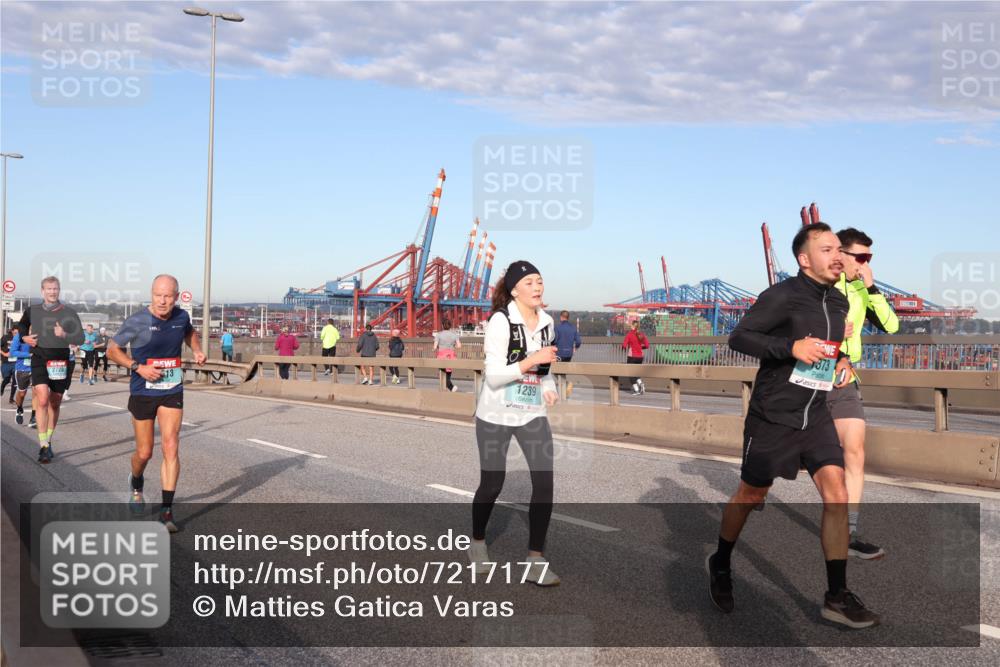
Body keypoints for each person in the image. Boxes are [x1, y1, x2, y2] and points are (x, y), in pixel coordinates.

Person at [706, 222, 879, 629]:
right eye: (826, 250)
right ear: (804, 259)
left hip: (816, 414)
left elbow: (832, 349)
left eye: (839, 249)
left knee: (836, 493)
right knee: (750, 495)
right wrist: (790, 347)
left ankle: (836, 596)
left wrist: (840, 361)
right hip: (774, 417)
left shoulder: (838, 302)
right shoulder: (782, 295)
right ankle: (721, 561)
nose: (837, 256)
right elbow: (740, 337)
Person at [469, 260, 560, 587]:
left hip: (532, 413)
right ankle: (477, 543)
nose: (538, 287)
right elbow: (493, 377)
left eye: (540, 280)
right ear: (514, 289)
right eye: (530, 282)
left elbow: (545, 371)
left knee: (545, 484)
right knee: (493, 484)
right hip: (496, 413)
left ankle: (535, 559)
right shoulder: (500, 320)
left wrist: (549, 389)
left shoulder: (548, 321)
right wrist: (530, 360)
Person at [107, 274, 206, 533]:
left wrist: (196, 349)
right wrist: (137, 367)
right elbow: (112, 350)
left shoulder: (181, 317)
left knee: (171, 445)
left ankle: (166, 511)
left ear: (176, 296)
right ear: (152, 294)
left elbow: (190, 334)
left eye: (168, 296)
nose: (162, 301)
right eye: (157, 295)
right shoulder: (138, 320)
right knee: (145, 452)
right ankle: (137, 482)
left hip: (171, 387)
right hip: (143, 390)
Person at [829, 227, 899, 560]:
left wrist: (870, 287)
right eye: (861, 256)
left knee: (855, 451)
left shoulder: (860, 290)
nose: (865, 263)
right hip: (809, 377)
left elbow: (891, 325)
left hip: (846, 380)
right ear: (839, 254)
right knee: (778, 458)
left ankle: (849, 533)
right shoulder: (822, 283)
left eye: (869, 257)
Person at [17, 276, 85, 463]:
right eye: (49, 289)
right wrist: (25, 338)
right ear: (42, 291)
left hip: (60, 361)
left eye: (55, 289)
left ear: (59, 290)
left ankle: (48, 438)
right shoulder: (33, 310)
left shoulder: (69, 313)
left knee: (55, 402)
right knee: (43, 398)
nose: (52, 292)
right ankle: (43, 445)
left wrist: (65, 334)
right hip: (39, 357)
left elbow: (80, 338)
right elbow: (22, 325)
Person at [552, 310, 582, 398]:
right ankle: (564, 392)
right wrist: (575, 348)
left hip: (559, 353)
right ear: (567, 317)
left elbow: (554, 340)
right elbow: (579, 341)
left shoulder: (557, 328)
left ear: (561, 317)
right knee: (563, 371)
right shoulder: (573, 328)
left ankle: (566, 384)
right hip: (569, 354)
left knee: (555, 371)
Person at [9, 330, 35, 427]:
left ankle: (34, 417)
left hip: (36, 368)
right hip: (22, 369)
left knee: (36, 391)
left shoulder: (41, 333)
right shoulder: (20, 336)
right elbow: (13, 352)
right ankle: (19, 408)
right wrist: (29, 355)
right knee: (22, 393)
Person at [433, 319, 462, 392]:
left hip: (441, 355)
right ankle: (449, 387)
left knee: (441, 373)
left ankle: (451, 387)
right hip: (450, 355)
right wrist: (453, 346)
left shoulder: (438, 335)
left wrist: (438, 347)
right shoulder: (454, 335)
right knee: (448, 373)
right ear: (450, 326)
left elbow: (434, 347)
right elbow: (459, 346)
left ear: (442, 326)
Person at [621, 320, 648, 395]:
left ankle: (636, 390)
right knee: (636, 372)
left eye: (631, 325)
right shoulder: (641, 334)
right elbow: (647, 345)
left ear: (633, 326)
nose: (630, 326)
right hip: (640, 357)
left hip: (632, 357)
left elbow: (624, 345)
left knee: (630, 373)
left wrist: (623, 348)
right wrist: (640, 348)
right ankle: (641, 383)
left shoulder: (629, 334)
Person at [1, 325, 16, 403]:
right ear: (12, 330)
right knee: (6, 379)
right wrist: (4, 353)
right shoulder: (5, 337)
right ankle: (2, 387)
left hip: (16, 363)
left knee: (15, 380)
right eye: (15, 331)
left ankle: (11, 398)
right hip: (6, 362)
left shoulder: (20, 338)